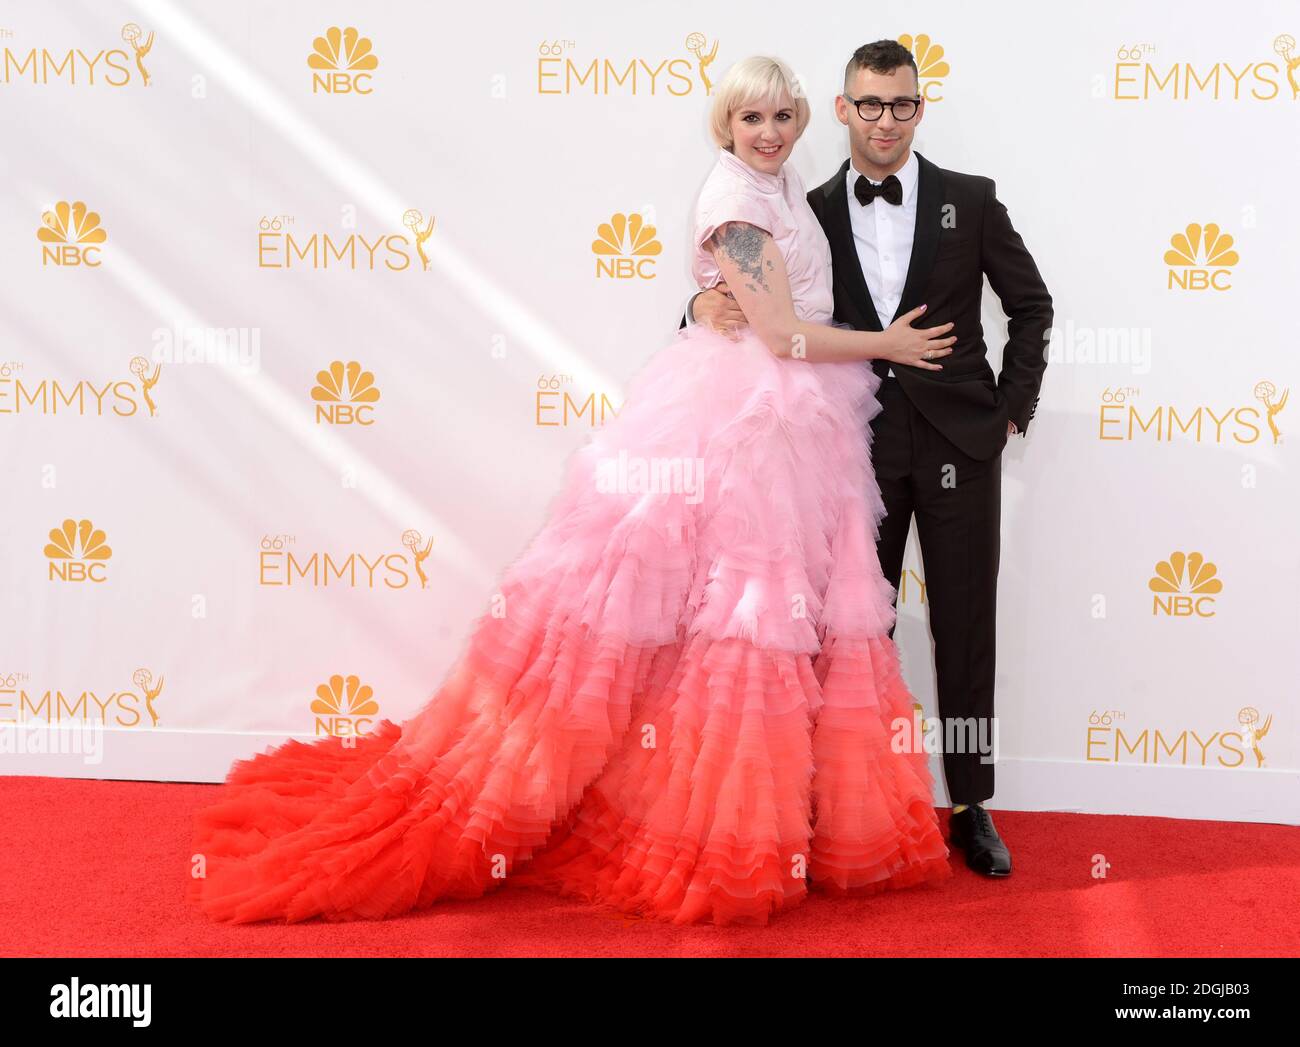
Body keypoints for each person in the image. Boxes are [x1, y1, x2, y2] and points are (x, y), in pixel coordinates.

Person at [186, 55, 957, 928]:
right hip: (748, 418)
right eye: (752, 120)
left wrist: (714, 306)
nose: (770, 132)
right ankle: (713, 834)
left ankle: (761, 819)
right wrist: (887, 346)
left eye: (782, 116)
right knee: (735, 615)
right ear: (725, 127)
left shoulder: (780, 188)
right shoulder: (735, 201)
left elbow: (762, 305)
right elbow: (780, 335)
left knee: (734, 624)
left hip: (791, 422)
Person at [689, 41, 1053, 877]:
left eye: (901, 104)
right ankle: (843, 805)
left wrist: (1008, 411)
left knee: (966, 626)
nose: (885, 119)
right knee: (854, 630)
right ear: (845, 109)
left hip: (963, 441)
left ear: (919, 109)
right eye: (869, 103)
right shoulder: (803, 202)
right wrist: (699, 298)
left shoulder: (972, 200)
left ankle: (970, 804)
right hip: (856, 443)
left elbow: (1031, 307)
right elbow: (768, 297)